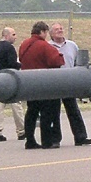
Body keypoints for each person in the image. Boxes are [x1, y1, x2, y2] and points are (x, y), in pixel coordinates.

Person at [18, 21, 64, 149]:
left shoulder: (24, 44)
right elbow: (56, 61)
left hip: (29, 82)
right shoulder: (44, 46)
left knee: (31, 112)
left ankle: (30, 140)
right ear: (43, 32)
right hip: (44, 84)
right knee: (47, 113)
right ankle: (47, 140)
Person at [48, 22, 91, 146]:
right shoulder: (47, 46)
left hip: (69, 81)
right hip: (55, 81)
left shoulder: (72, 45)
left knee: (73, 110)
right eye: (57, 29)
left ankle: (81, 137)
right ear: (51, 33)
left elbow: (77, 62)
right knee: (53, 111)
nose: (60, 31)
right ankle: (55, 139)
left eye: (61, 29)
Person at [0, 27, 26, 141]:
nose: (15, 37)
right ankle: (21, 131)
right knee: (16, 106)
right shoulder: (9, 48)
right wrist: (20, 66)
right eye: (13, 35)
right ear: (6, 35)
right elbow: (12, 64)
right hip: (9, 81)